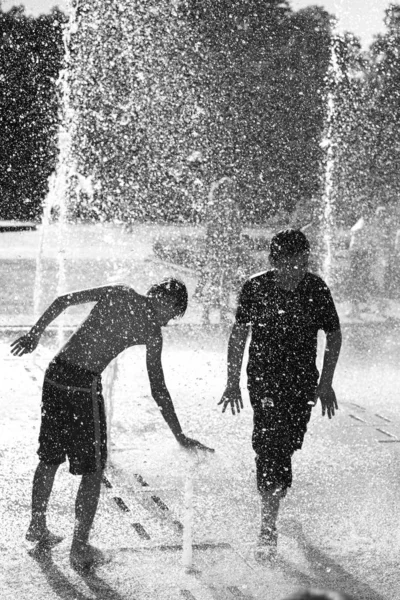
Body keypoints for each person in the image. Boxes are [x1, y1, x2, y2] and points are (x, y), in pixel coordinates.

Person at [11, 278, 213, 571]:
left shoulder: (120, 293)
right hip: (81, 386)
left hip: (55, 374)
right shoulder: (151, 331)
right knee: (93, 470)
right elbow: (159, 389)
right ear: (164, 301)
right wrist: (179, 435)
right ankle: (79, 549)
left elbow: (62, 300)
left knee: (50, 458)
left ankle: (37, 524)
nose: (168, 322)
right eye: (172, 314)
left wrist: (35, 334)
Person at [219, 229, 341, 561]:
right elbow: (238, 334)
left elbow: (334, 334)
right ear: (274, 262)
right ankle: (268, 527)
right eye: (289, 264)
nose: (296, 271)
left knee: (287, 444)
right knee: (270, 445)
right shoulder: (256, 287)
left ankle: (275, 498)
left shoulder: (315, 288)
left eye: (302, 263)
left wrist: (326, 383)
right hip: (263, 381)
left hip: (302, 384)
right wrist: (232, 382)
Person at [194, 176, 242, 323]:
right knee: (225, 282)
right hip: (227, 248)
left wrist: (208, 248)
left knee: (214, 281)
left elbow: (209, 230)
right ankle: (222, 313)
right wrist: (236, 247)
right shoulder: (232, 206)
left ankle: (206, 314)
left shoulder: (211, 205)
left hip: (215, 248)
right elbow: (236, 229)